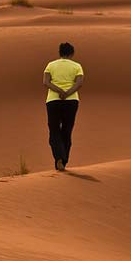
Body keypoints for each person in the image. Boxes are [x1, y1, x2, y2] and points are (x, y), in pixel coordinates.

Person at [42, 42, 84, 171]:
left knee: (54, 130)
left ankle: (59, 158)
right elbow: (79, 83)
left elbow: (46, 82)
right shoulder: (77, 66)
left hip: (53, 100)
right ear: (72, 53)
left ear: (59, 53)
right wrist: (67, 93)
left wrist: (59, 91)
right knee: (67, 129)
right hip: (71, 101)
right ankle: (64, 160)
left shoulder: (51, 65)